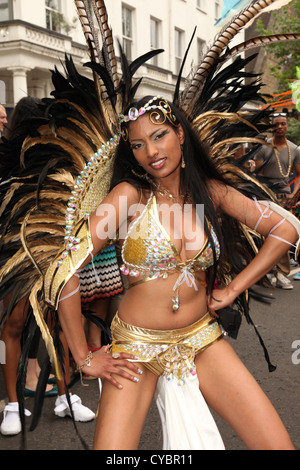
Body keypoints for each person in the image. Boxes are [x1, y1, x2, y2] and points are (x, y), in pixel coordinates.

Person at [51, 95, 298, 450]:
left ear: (180, 133)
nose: (150, 151)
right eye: (137, 144)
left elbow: (285, 229)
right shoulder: (128, 196)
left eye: (159, 135)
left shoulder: (210, 193)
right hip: (136, 349)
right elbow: (64, 268)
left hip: (201, 338)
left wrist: (232, 290)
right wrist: (83, 356)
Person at [0, 97, 95, 436]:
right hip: (14, 256)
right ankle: (13, 405)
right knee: (13, 327)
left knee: (59, 326)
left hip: (54, 253)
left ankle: (65, 397)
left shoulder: (57, 157)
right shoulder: (6, 159)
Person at [254, 113, 300, 289]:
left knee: (285, 235)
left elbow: (298, 176)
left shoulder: (294, 149)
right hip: (267, 197)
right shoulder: (264, 148)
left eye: (283, 124)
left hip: (285, 198)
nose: (279, 127)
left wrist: (293, 193)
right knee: (267, 236)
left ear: (287, 126)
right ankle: (268, 272)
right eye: (276, 125)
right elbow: (257, 176)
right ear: (272, 127)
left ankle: (282, 273)